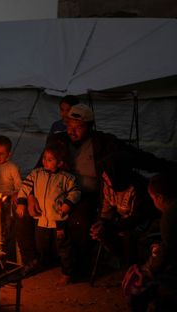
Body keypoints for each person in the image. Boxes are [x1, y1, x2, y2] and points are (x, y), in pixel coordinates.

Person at [44, 103, 176, 278]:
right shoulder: (59, 141)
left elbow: (137, 157)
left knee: (80, 221)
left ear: (89, 127)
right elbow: (41, 166)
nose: (72, 131)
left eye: (78, 127)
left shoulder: (103, 143)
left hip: (88, 194)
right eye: (69, 126)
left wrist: (170, 168)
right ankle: (47, 260)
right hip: (60, 192)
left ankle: (80, 268)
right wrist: (28, 196)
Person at [17, 144, 81, 283]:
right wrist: (21, 203)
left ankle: (67, 272)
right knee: (41, 245)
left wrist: (67, 204)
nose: (45, 161)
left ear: (60, 163)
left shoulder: (66, 178)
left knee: (63, 247)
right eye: (44, 158)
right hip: (41, 219)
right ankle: (44, 263)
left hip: (59, 220)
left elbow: (76, 192)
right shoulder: (36, 174)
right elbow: (24, 187)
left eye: (50, 159)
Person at [90, 152, 159, 266]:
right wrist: (101, 222)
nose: (104, 176)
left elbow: (136, 219)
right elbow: (106, 207)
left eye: (107, 174)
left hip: (141, 225)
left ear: (117, 174)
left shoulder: (138, 188)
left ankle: (132, 267)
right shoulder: (107, 184)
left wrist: (110, 226)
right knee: (100, 232)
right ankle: (120, 259)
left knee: (128, 237)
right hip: (120, 221)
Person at [122, 173, 177, 311]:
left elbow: (168, 253)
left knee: (140, 291)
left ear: (159, 197)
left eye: (153, 198)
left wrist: (148, 270)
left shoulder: (170, 216)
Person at [0, 135, 22, 261]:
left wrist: (15, 193)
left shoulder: (12, 168)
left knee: (6, 223)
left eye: (2, 153)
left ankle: (6, 250)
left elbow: (19, 186)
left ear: (8, 154)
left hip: (7, 198)